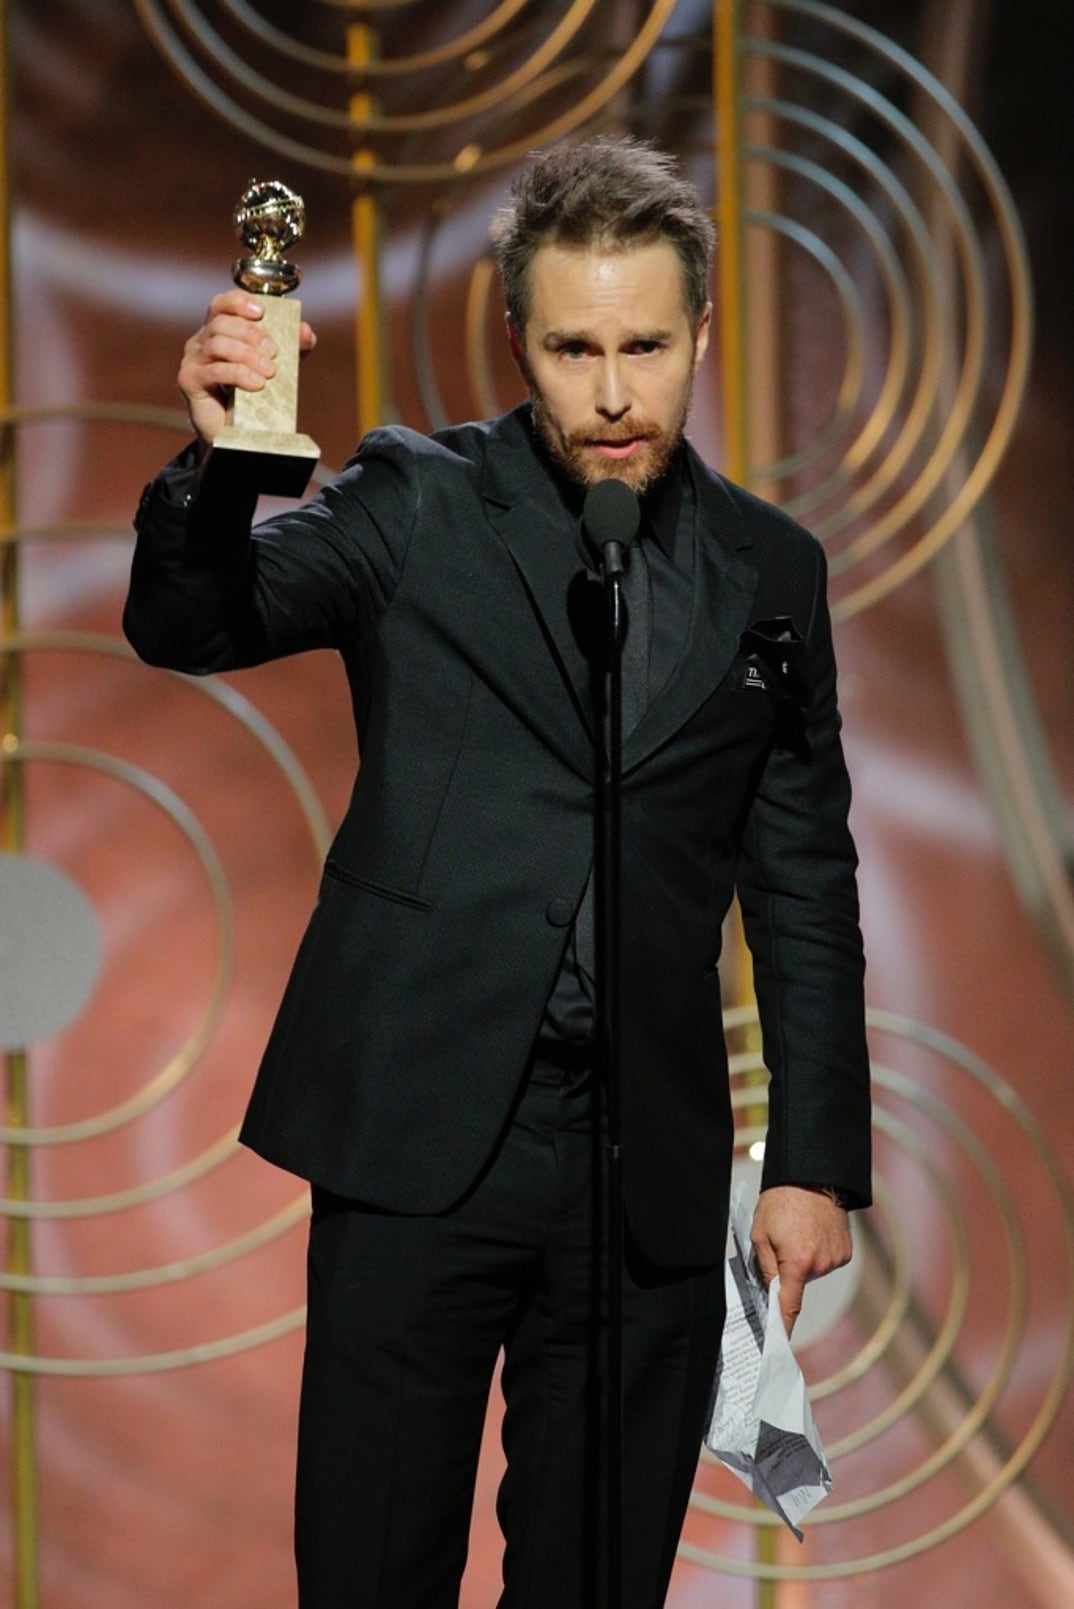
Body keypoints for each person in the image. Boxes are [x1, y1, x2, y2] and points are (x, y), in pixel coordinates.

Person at [125, 136, 870, 1609]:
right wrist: (218, 461)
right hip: (418, 1134)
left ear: (700, 334)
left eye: (645, 347)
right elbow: (196, 623)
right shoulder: (414, 504)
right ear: (516, 336)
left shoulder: (767, 572)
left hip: (641, 1168)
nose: (610, 394)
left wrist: (810, 1159)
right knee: (370, 1570)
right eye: (574, 346)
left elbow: (799, 873)